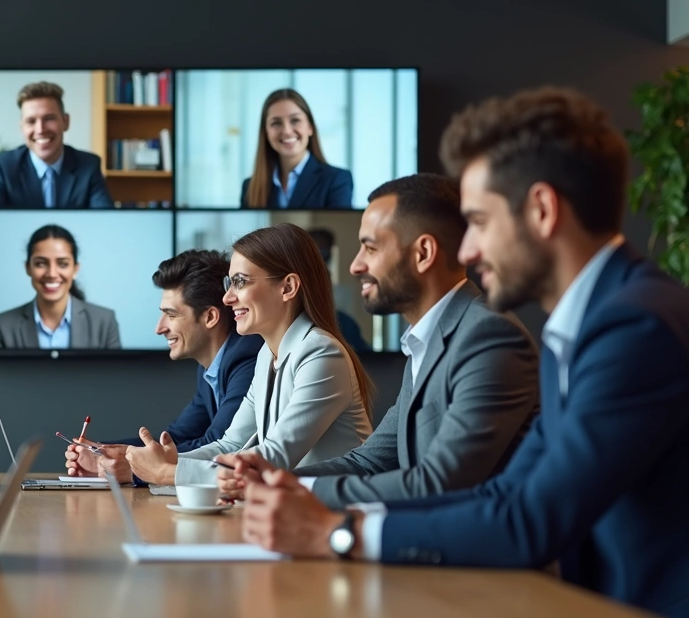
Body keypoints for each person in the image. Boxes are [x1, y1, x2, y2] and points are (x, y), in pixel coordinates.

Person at [239, 87, 689, 618]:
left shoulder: (634, 326)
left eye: (477, 222)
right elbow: (508, 495)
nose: (468, 251)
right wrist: (305, 498)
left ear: (542, 210)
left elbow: (529, 520)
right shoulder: (586, 325)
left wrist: (338, 532)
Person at [218, 174, 541, 505]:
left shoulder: (487, 336)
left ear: (423, 253)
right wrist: (270, 479)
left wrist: (286, 488)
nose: (356, 265)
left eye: (370, 247)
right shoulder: (427, 341)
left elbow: (441, 482)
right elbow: (368, 461)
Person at [123, 224, 375, 487]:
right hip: (288, 509)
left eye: (240, 282)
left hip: (339, 514)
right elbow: (231, 444)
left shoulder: (321, 354)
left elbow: (273, 458)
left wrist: (165, 473)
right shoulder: (267, 354)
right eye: (228, 283)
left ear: (288, 287)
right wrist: (161, 464)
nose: (228, 297)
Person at [63, 250, 263, 482]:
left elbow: (218, 445)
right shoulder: (210, 367)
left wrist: (133, 468)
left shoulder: (247, 357)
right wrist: (101, 451)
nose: (159, 328)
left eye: (171, 315)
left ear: (210, 317)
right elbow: (176, 437)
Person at [0, 81, 114, 209]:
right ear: (22, 127)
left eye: (49, 118)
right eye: (31, 121)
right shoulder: (3, 167)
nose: (40, 130)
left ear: (65, 122)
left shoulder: (89, 165)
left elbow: (105, 218)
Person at [0, 224, 120, 349]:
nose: (52, 274)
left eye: (63, 264)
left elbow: (114, 372)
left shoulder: (105, 321)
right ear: (28, 268)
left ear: (75, 269)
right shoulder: (4, 325)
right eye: (40, 264)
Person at [240, 89, 353, 210]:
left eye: (295, 121)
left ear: (310, 127)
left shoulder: (337, 180)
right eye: (276, 123)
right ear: (266, 133)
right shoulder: (250, 187)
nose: (287, 131)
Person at [306, 227, 371, 355]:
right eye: (314, 253)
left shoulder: (345, 323)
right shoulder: (285, 325)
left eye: (324, 252)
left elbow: (363, 354)